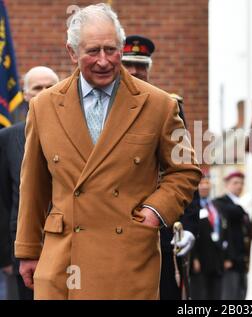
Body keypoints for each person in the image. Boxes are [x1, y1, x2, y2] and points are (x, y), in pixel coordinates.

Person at [14, 4, 201, 300]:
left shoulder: (159, 105)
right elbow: (34, 186)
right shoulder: (43, 106)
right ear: (72, 53)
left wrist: (155, 211)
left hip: (128, 258)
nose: (103, 61)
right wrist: (27, 249)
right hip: (63, 258)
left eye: (111, 50)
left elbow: (185, 169)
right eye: (93, 51)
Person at [121, 34, 199, 300]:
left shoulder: (168, 107)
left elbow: (184, 173)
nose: (134, 71)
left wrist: (188, 226)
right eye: (128, 63)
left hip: (161, 229)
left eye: (141, 65)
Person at [0, 66, 59, 300]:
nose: (44, 92)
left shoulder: (78, 134)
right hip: (24, 250)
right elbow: (3, 200)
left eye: (50, 86)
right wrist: (5, 256)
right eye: (37, 88)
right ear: (25, 94)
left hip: (71, 244)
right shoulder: (7, 139)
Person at [214, 171, 251, 300]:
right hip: (230, 259)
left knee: (241, 294)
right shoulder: (220, 202)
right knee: (230, 296)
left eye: (241, 183)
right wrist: (226, 258)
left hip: (242, 259)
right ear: (227, 185)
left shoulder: (240, 204)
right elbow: (223, 232)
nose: (239, 186)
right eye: (235, 183)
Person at [190, 170, 224, 300]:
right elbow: (190, 232)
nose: (204, 186)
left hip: (216, 260)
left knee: (215, 294)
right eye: (201, 183)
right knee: (200, 295)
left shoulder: (216, 206)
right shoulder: (192, 208)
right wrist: (194, 258)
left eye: (207, 182)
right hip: (200, 260)